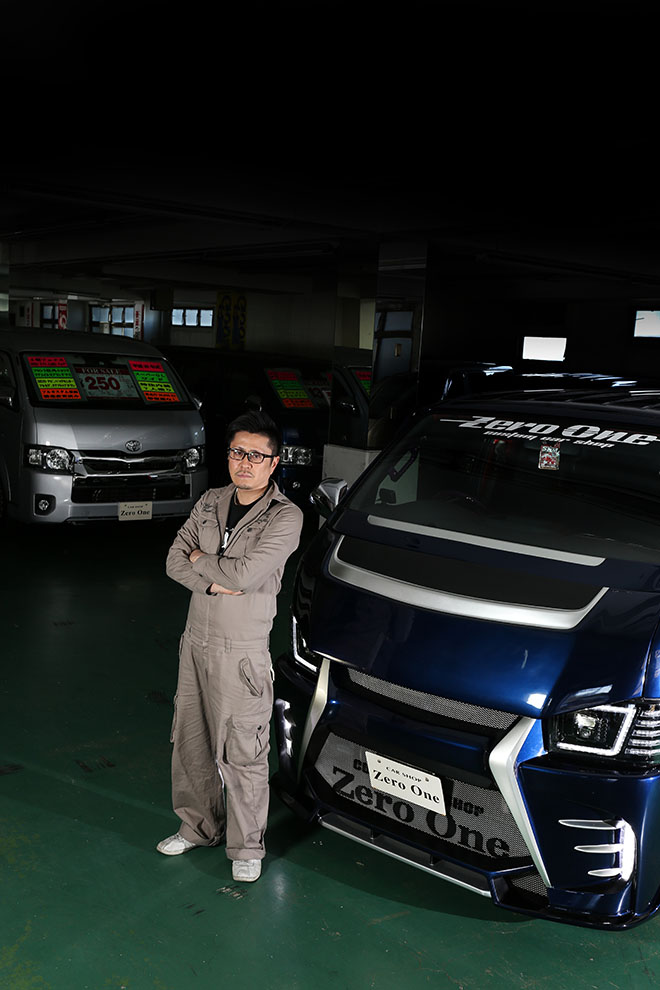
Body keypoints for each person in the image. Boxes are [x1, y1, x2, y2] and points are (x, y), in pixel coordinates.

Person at [158, 409, 304, 882]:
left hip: (241, 652)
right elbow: (172, 561)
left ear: (274, 463)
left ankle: (246, 847)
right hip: (195, 641)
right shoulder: (211, 501)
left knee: (243, 751)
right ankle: (198, 827)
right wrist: (209, 578)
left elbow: (244, 575)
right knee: (190, 741)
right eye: (238, 452)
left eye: (256, 456)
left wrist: (200, 558)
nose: (245, 462)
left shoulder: (286, 516)